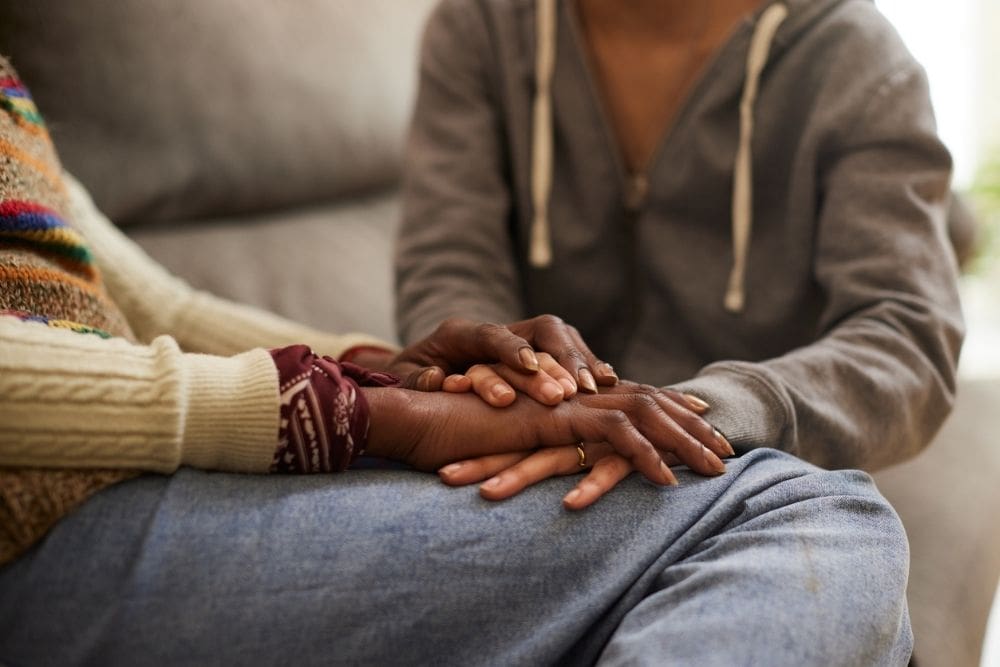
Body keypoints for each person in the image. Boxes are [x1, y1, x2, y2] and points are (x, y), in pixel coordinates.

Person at [0, 23, 908, 666]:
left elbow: (148, 300)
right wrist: (374, 413)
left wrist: (389, 367)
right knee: (815, 521)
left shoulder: (851, 55)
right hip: (48, 528)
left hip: (130, 481)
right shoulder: (488, 30)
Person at [395, 0, 964, 494]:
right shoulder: (480, 29)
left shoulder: (854, 56)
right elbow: (449, 267)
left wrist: (712, 413)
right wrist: (506, 390)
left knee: (854, 548)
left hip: (749, 463)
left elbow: (907, 335)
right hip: (521, 442)